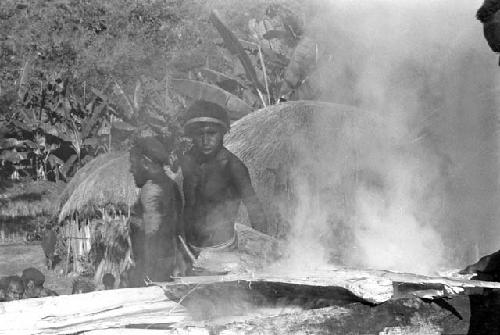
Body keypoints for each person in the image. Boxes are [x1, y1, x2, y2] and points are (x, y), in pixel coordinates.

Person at [179, 100, 268, 257]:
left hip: (222, 249)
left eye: (211, 133)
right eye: (200, 134)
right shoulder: (188, 160)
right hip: (190, 249)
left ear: (222, 133)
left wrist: (262, 250)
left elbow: (255, 209)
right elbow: (188, 206)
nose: (206, 140)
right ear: (192, 136)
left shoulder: (233, 167)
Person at [128, 136, 184, 285]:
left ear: (145, 163)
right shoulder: (171, 186)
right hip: (169, 263)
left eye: (133, 164)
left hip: (154, 270)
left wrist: (147, 275)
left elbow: (152, 232)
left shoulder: (151, 190)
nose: (131, 170)